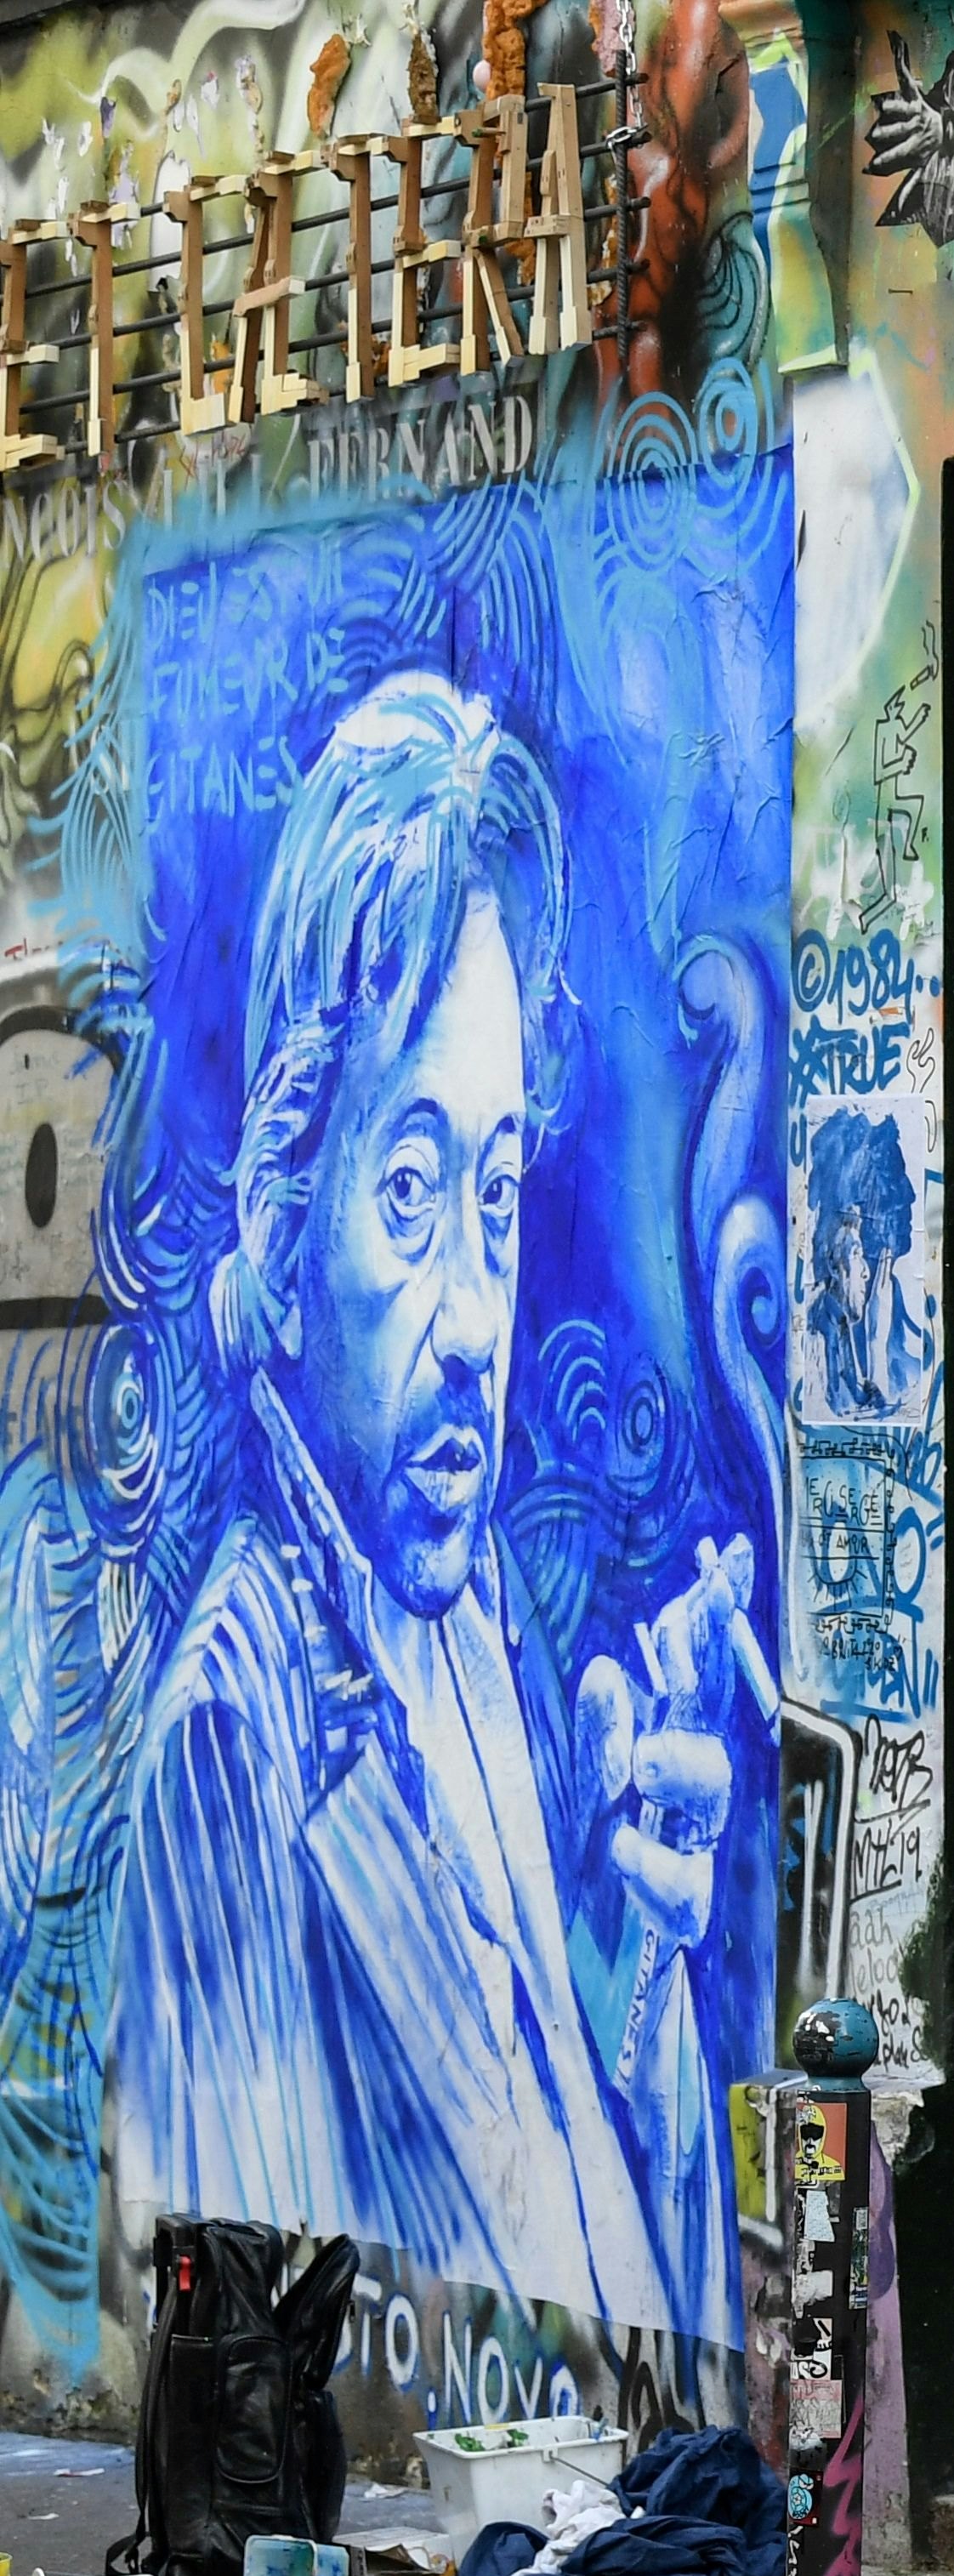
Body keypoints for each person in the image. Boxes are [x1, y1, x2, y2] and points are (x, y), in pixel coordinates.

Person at [103, 671, 748, 2345]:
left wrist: (634, 1953)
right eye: (407, 1191)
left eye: (493, 1192)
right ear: (287, 1205)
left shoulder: (476, 1633)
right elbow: (234, 2345)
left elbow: (595, 2216)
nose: (475, 1313)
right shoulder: (231, 1751)